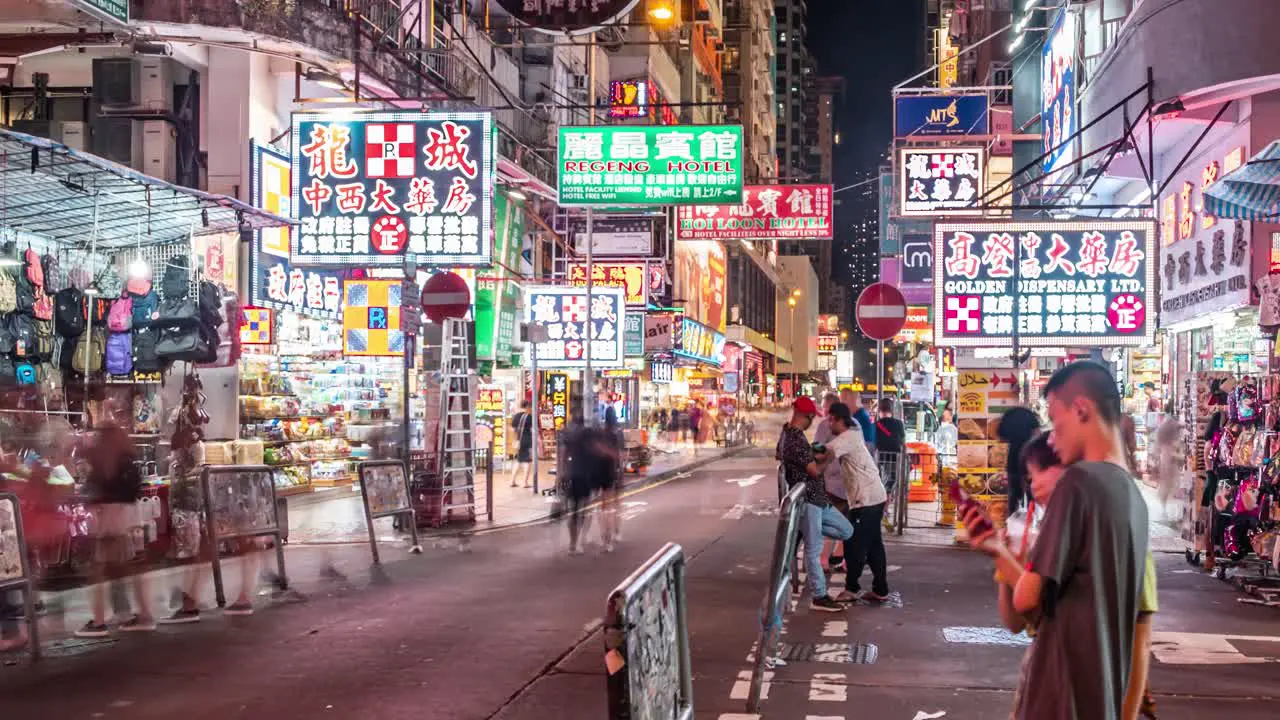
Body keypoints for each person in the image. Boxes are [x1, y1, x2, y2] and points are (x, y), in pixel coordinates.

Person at [962, 361, 1149, 720]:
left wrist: (1000, 554)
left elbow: (1027, 598)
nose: (1050, 435)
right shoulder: (1131, 495)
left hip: (1059, 694)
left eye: (1054, 417)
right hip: (1102, 697)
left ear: (1081, 409)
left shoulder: (1078, 483)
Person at [76, 415, 153, 637]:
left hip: (110, 519)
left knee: (98, 570)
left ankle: (99, 621)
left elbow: (94, 492)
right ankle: (141, 614)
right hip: (132, 518)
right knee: (132, 567)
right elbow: (135, 489)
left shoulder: (105, 462)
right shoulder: (128, 461)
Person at [778, 397, 853, 612]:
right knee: (813, 549)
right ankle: (819, 595)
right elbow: (813, 470)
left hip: (819, 500)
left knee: (846, 530)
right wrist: (828, 457)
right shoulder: (793, 438)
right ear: (808, 416)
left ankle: (811, 530)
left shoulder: (792, 436)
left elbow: (800, 456)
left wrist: (817, 450)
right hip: (808, 499)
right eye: (813, 417)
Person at [823, 402, 890, 603]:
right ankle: (880, 589)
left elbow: (826, 452)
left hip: (866, 499)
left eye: (829, 419)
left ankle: (852, 588)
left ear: (837, 419)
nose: (828, 423)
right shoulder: (854, 432)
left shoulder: (848, 438)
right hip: (872, 496)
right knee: (874, 545)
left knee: (854, 544)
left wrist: (805, 452)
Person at [996, 406, 1041, 515]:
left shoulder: (1009, 415)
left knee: (1014, 492)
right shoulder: (1029, 415)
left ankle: (1013, 515)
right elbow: (1037, 433)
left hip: (1014, 456)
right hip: (1029, 456)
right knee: (1031, 490)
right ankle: (1031, 518)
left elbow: (1001, 436)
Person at [598, 407, 624, 551]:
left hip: (601, 471)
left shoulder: (601, 433)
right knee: (616, 504)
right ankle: (616, 533)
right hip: (613, 470)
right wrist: (620, 470)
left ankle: (605, 540)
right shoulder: (618, 433)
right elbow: (620, 454)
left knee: (604, 506)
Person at [510, 401, 536, 488]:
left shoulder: (516, 416)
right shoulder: (529, 417)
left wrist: (516, 438)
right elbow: (533, 430)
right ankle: (525, 482)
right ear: (527, 406)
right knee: (528, 461)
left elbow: (513, 430)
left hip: (519, 441)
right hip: (527, 441)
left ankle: (512, 480)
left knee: (518, 460)